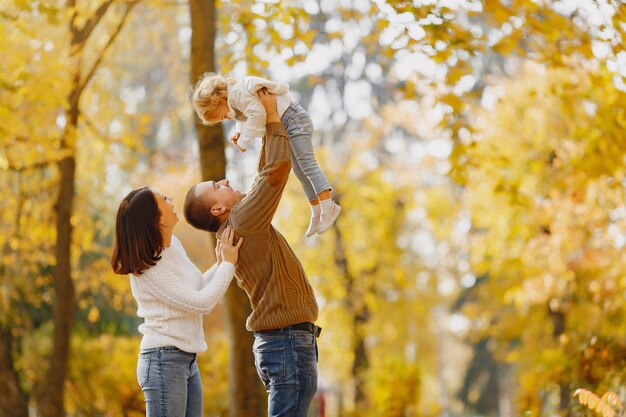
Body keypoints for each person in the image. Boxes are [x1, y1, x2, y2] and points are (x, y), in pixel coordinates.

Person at [184, 89, 321, 417]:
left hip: (281, 343)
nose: (227, 180)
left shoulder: (240, 221)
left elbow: (264, 177)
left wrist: (259, 126)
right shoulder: (243, 221)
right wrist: (272, 116)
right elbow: (276, 170)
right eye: (218, 185)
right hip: (286, 343)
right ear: (218, 207)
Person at [110, 186, 243, 417]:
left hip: (186, 359)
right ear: (156, 218)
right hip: (164, 362)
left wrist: (223, 263)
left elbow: (198, 286)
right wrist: (228, 266)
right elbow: (203, 303)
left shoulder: (173, 247)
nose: (171, 200)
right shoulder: (148, 269)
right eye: (164, 199)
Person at [191, 72, 341, 237]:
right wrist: (239, 133)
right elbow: (243, 118)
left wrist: (243, 142)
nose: (226, 118)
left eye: (223, 116)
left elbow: (257, 114)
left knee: (307, 164)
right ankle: (316, 210)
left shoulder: (237, 94)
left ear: (218, 99)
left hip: (293, 120)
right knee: (299, 172)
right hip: (285, 124)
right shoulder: (233, 101)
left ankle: (328, 206)